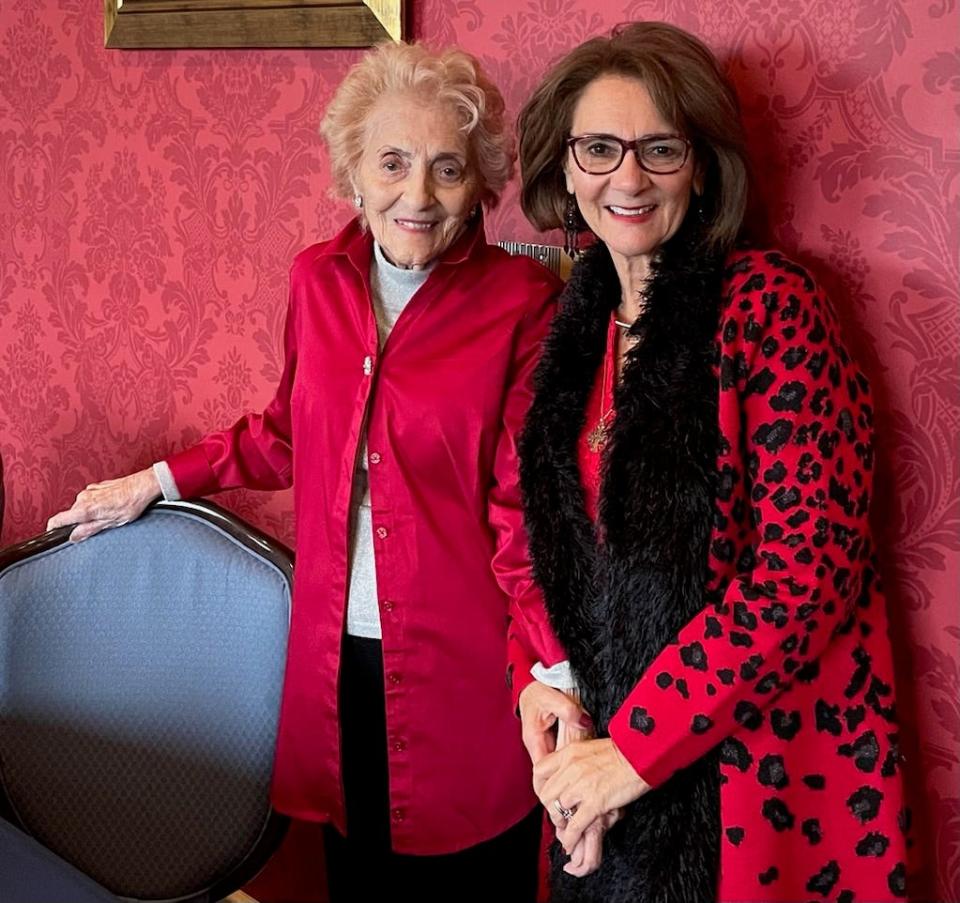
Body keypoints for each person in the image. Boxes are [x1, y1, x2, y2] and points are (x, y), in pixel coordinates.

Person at [47, 41, 568, 902]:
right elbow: (290, 432)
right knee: (356, 877)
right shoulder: (315, 282)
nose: (418, 194)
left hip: (463, 675)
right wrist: (157, 480)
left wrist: (555, 671)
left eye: (447, 168)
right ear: (353, 176)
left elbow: (526, 513)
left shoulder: (522, 307)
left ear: (480, 184)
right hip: (333, 663)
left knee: (472, 874)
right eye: (393, 163)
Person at [512, 21, 909, 903]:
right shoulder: (567, 329)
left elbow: (807, 574)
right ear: (565, 167)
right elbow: (549, 549)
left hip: (753, 779)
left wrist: (635, 749)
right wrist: (539, 686)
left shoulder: (773, 307)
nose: (627, 177)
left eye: (660, 148)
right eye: (600, 148)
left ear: (702, 164)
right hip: (601, 767)